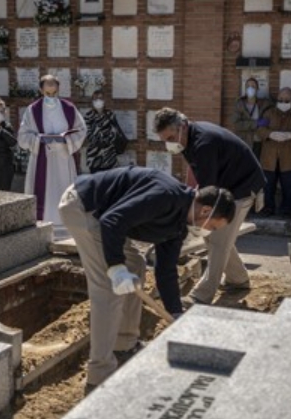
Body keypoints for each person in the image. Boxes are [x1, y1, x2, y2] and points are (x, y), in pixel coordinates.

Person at [58, 166, 235, 392]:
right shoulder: (165, 196)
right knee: (108, 289)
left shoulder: (180, 225)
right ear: (205, 211)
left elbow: (166, 270)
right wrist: (114, 267)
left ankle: (124, 344)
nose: (208, 231)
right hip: (84, 207)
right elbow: (112, 221)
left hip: (106, 217)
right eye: (212, 226)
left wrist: (175, 312)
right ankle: (99, 374)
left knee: (136, 265)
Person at [154, 108, 266, 306]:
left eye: (171, 137)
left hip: (242, 188)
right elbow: (194, 174)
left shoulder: (204, 143)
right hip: (229, 185)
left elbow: (208, 193)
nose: (169, 143)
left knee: (216, 239)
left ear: (182, 126)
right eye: (165, 140)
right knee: (220, 237)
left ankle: (201, 296)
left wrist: (188, 214)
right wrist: (187, 198)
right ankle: (238, 279)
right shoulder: (188, 139)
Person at [18, 74, 87, 227]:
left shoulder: (69, 108)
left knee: (64, 189)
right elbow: (22, 136)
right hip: (42, 156)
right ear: (41, 90)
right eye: (48, 93)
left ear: (58, 89)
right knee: (43, 193)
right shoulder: (32, 110)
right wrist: (39, 139)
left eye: (54, 92)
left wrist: (66, 140)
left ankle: (66, 221)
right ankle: (42, 222)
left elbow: (81, 129)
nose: (51, 96)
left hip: (63, 157)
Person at [256, 87, 291, 218]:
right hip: (269, 157)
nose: (283, 102)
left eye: (286, 100)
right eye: (281, 100)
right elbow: (259, 129)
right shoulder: (268, 113)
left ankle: (288, 211)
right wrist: (270, 134)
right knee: (268, 186)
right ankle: (267, 208)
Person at [83, 90, 128, 173]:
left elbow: (115, 131)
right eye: (95, 99)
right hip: (94, 157)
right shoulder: (88, 116)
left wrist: (104, 137)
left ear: (104, 100)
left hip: (109, 157)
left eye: (100, 98)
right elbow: (88, 134)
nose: (98, 101)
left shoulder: (110, 114)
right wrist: (104, 138)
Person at [232, 77, 273, 159]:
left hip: (259, 142)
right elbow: (237, 124)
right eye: (248, 86)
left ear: (257, 88)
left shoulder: (263, 104)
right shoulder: (239, 104)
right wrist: (256, 123)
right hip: (244, 141)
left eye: (253, 86)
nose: (250, 88)